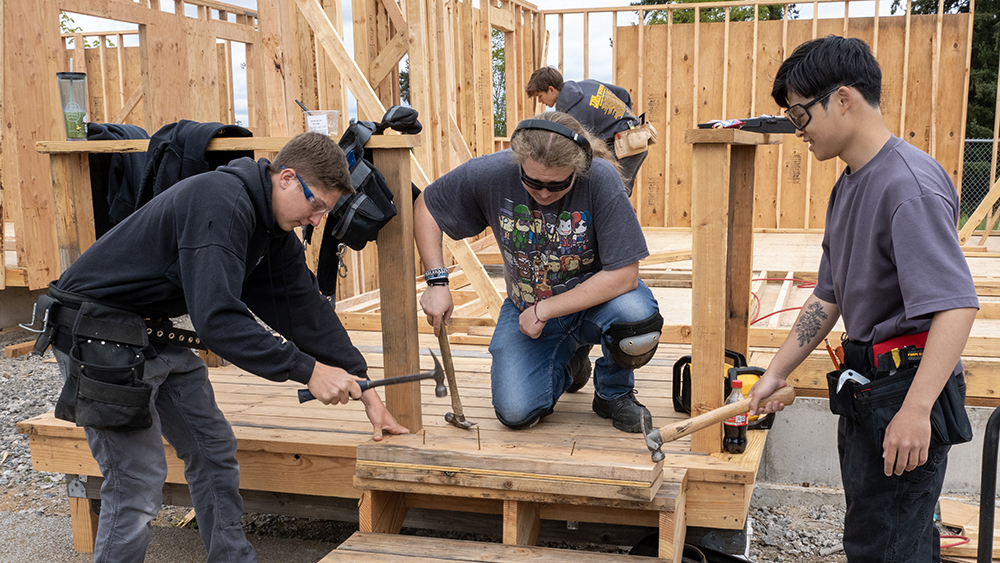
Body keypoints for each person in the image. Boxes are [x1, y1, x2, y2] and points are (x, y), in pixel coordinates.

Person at [41, 131, 408, 563]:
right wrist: (308, 370)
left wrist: (364, 386)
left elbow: (305, 310)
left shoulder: (271, 230)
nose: (316, 220)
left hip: (147, 331)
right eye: (317, 205)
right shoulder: (220, 202)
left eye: (324, 211)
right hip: (96, 334)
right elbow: (217, 320)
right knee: (136, 481)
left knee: (213, 451)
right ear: (287, 177)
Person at [747, 36, 978, 562]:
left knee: (885, 544)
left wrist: (916, 411)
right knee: (887, 533)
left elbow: (957, 306)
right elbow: (828, 296)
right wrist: (777, 372)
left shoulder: (909, 186)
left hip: (906, 387)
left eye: (800, 113)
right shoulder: (850, 183)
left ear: (844, 98)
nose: (797, 129)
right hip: (870, 384)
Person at [414, 111, 663, 434]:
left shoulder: (600, 178)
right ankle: (570, 365)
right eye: (533, 182)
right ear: (518, 163)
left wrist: (544, 309)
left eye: (557, 185)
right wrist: (436, 280)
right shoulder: (492, 172)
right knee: (516, 412)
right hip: (527, 310)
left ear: (578, 169)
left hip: (594, 306)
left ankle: (613, 394)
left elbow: (625, 275)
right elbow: (427, 205)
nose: (544, 194)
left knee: (637, 321)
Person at [525, 66, 648, 196]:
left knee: (613, 193)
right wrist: (625, 121)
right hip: (636, 136)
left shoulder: (573, 112)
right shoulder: (588, 85)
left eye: (540, 96)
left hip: (625, 144)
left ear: (551, 89)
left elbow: (579, 150)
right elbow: (623, 94)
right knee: (610, 189)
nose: (540, 101)